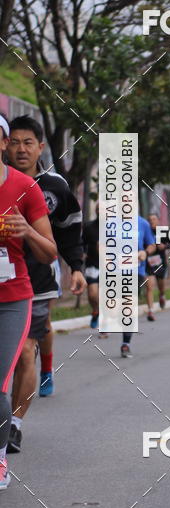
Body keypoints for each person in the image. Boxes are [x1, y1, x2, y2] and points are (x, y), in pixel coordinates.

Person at [5, 116, 85, 456]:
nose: (21, 149)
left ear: (40, 147)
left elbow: (69, 229)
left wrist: (77, 267)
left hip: (37, 281)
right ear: (6, 145)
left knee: (24, 353)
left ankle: (15, 424)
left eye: (29, 143)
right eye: (16, 142)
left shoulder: (55, 186)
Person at [0, 113, 57, 489]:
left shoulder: (24, 187)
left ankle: (0, 455)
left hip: (11, 299)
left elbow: (50, 252)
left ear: (2, 143)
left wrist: (25, 232)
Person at [120, 216, 155, 358]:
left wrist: (145, 252)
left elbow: (151, 244)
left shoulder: (142, 223)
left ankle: (126, 343)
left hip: (136, 270)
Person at [83, 210, 103, 333]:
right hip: (92, 264)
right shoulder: (89, 226)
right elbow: (82, 242)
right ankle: (96, 310)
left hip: (109, 266)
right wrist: (83, 253)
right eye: (98, 209)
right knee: (92, 294)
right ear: (96, 211)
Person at [146, 213, 169, 319]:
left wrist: (164, 246)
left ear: (158, 221)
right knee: (149, 286)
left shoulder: (163, 231)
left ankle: (162, 295)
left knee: (161, 285)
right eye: (150, 219)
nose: (152, 221)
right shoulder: (146, 232)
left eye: (154, 219)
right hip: (148, 263)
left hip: (160, 263)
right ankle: (150, 311)